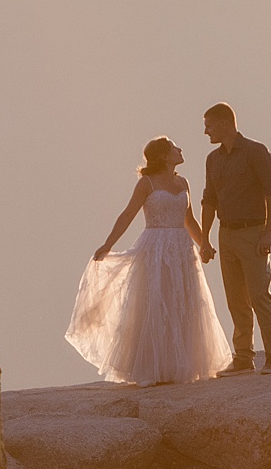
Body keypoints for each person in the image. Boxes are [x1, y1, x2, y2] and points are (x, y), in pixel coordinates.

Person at [65, 135, 229, 386]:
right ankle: (153, 369)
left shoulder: (183, 182)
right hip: (155, 248)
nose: (180, 149)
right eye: (174, 148)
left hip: (182, 249)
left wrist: (204, 244)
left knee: (183, 303)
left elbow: (190, 220)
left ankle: (177, 366)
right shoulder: (147, 184)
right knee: (156, 303)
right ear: (164, 155)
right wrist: (108, 245)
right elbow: (128, 214)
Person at [199, 101, 271, 374]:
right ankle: (243, 358)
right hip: (227, 233)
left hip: (252, 232)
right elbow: (209, 200)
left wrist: (268, 233)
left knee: (259, 295)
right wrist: (205, 238)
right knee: (235, 299)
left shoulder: (255, 152)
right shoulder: (212, 159)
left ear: (225, 123)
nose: (206, 133)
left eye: (209, 126)